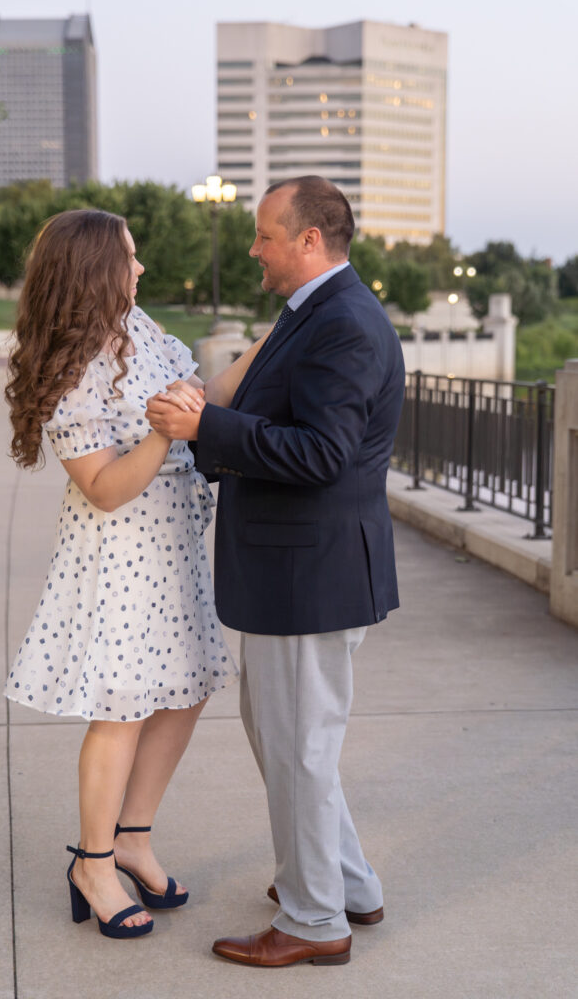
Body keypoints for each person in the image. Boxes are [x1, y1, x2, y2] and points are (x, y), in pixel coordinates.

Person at [146, 176, 405, 967]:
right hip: (296, 571)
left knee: (297, 750)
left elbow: (324, 456)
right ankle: (348, 886)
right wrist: (214, 421)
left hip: (310, 576)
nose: (252, 248)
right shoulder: (314, 313)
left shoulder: (345, 326)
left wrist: (207, 427)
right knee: (294, 746)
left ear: (308, 241)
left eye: (263, 235)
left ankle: (313, 921)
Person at [3, 209, 270, 940]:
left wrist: (265, 344)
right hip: (116, 558)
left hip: (173, 547)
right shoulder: (68, 364)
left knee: (181, 695)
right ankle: (91, 863)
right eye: (128, 256)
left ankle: (133, 839)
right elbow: (106, 487)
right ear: (92, 269)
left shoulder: (143, 329)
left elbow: (200, 400)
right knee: (121, 708)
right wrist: (162, 430)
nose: (141, 267)